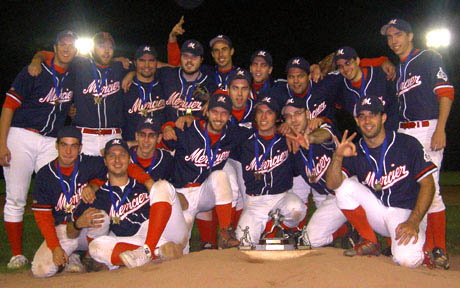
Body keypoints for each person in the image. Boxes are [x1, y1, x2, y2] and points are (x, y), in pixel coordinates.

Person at [325, 95, 437, 268]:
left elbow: (429, 184)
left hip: (406, 214)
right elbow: (332, 185)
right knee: (344, 188)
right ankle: (370, 241)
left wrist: (414, 221)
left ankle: (427, 249)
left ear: (383, 117)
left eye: (373, 114)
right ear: (357, 120)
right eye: (362, 116)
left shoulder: (407, 143)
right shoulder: (356, 149)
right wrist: (337, 157)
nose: (367, 120)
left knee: (407, 260)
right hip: (377, 210)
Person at [1, 30, 77, 269]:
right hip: (22, 135)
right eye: (62, 44)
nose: (66, 49)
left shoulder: (74, 74)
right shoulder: (34, 70)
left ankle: (58, 247)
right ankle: (16, 254)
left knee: (58, 195)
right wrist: (2, 143)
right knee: (16, 196)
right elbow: (8, 106)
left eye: (71, 46)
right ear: (55, 48)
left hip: (50, 141)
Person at [381, 18, 454, 269]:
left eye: (398, 35)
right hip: (405, 131)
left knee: (430, 189)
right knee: (412, 189)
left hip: (427, 129)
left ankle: (438, 248)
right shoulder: (399, 67)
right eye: (390, 37)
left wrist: (441, 128)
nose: (394, 41)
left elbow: (445, 92)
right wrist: (381, 61)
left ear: (410, 36)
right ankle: (422, 246)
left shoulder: (428, 58)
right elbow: (366, 62)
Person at [71, 138, 187, 269]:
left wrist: (163, 191)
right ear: (105, 161)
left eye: (122, 155)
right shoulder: (97, 196)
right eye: (111, 156)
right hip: (136, 240)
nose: (117, 160)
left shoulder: (144, 183)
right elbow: (70, 232)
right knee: (95, 247)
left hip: (167, 230)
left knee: (162, 185)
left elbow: (185, 204)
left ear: (129, 160)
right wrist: (77, 224)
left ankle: (149, 250)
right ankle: (159, 251)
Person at [160, 92, 240, 249]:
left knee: (220, 175)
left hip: (204, 191)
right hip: (182, 194)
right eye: (215, 112)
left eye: (224, 113)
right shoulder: (188, 129)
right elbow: (163, 143)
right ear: (207, 112)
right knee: (180, 246)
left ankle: (225, 232)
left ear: (229, 116)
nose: (218, 117)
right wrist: (167, 126)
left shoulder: (231, 135)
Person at [29, 32, 129, 156]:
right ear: (93, 49)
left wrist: (132, 73)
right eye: (101, 46)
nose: (106, 51)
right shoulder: (79, 64)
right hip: (84, 136)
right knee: (79, 174)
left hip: (113, 135)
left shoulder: (120, 67)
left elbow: (148, 67)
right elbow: (49, 54)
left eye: (110, 47)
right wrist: (36, 60)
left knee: (115, 175)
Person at [30, 126, 107, 277]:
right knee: (41, 270)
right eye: (64, 145)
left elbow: (107, 169)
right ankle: (71, 256)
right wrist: (54, 247)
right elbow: (43, 217)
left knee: (101, 217)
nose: (68, 151)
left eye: (74, 146)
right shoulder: (44, 175)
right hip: (63, 231)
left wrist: (93, 185)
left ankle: (89, 256)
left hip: (85, 227)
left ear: (80, 148)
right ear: (56, 145)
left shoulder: (88, 163)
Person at [234, 93, 306, 244]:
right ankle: (269, 229)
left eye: (269, 112)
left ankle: (288, 229)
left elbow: (296, 171)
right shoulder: (244, 140)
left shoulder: (286, 140)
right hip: (255, 202)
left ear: (277, 118)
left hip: (282, 197)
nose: (264, 117)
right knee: (243, 239)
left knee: (296, 209)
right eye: (260, 112)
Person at [282, 97, 352, 247]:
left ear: (307, 114)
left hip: (348, 191)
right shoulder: (292, 143)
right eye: (288, 116)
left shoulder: (321, 128)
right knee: (311, 239)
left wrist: (310, 138)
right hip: (328, 196)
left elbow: (325, 134)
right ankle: (344, 229)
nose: (293, 119)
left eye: (297, 113)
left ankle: (358, 228)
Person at [333, 46, 399, 131]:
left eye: (348, 63)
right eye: (340, 66)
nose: (345, 69)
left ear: (357, 61)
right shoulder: (342, 89)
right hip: (368, 140)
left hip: (394, 135)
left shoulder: (381, 75)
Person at [122, 45, 165, 142]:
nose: (147, 65)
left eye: (151, 60)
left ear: (157, 63)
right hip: (132, 146)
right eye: (142, 60)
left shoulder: (164, 84)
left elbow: (178, 68)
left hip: (160, 147)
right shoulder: (125, 85)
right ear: (135, 63)